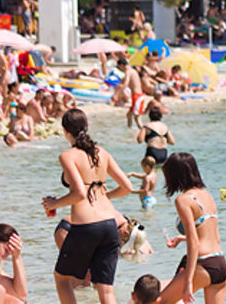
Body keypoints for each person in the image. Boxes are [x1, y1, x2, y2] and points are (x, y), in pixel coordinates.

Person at [42, 108, 133, 304]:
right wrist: (103, 196)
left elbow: (79, 194)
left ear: (65, 131)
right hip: (109, 225)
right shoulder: (103, 153)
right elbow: (127, 187)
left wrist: (54, 203)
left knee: (62, 279)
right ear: (86, 126)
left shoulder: (68, 156)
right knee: (106, 289)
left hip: (86, 226)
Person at [161, 152, 226, 304]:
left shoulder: (183, 200)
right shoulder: (207, 195)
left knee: (161, 302)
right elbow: (214, 237)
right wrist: (181, 238)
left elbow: (194, 242)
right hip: (220, 263)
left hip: (203, 263)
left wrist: (188, 281)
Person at [119, 59, 149, 128]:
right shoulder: (133, 71)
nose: (120, 69)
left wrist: (119, 93)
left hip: (137, 97)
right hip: (137, 96)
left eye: (119, 67)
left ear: (122, 65)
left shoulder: (128, 72)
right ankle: (129, 130)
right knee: (129, 114)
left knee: (137, 118)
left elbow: (126, 83)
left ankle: (143, 134)